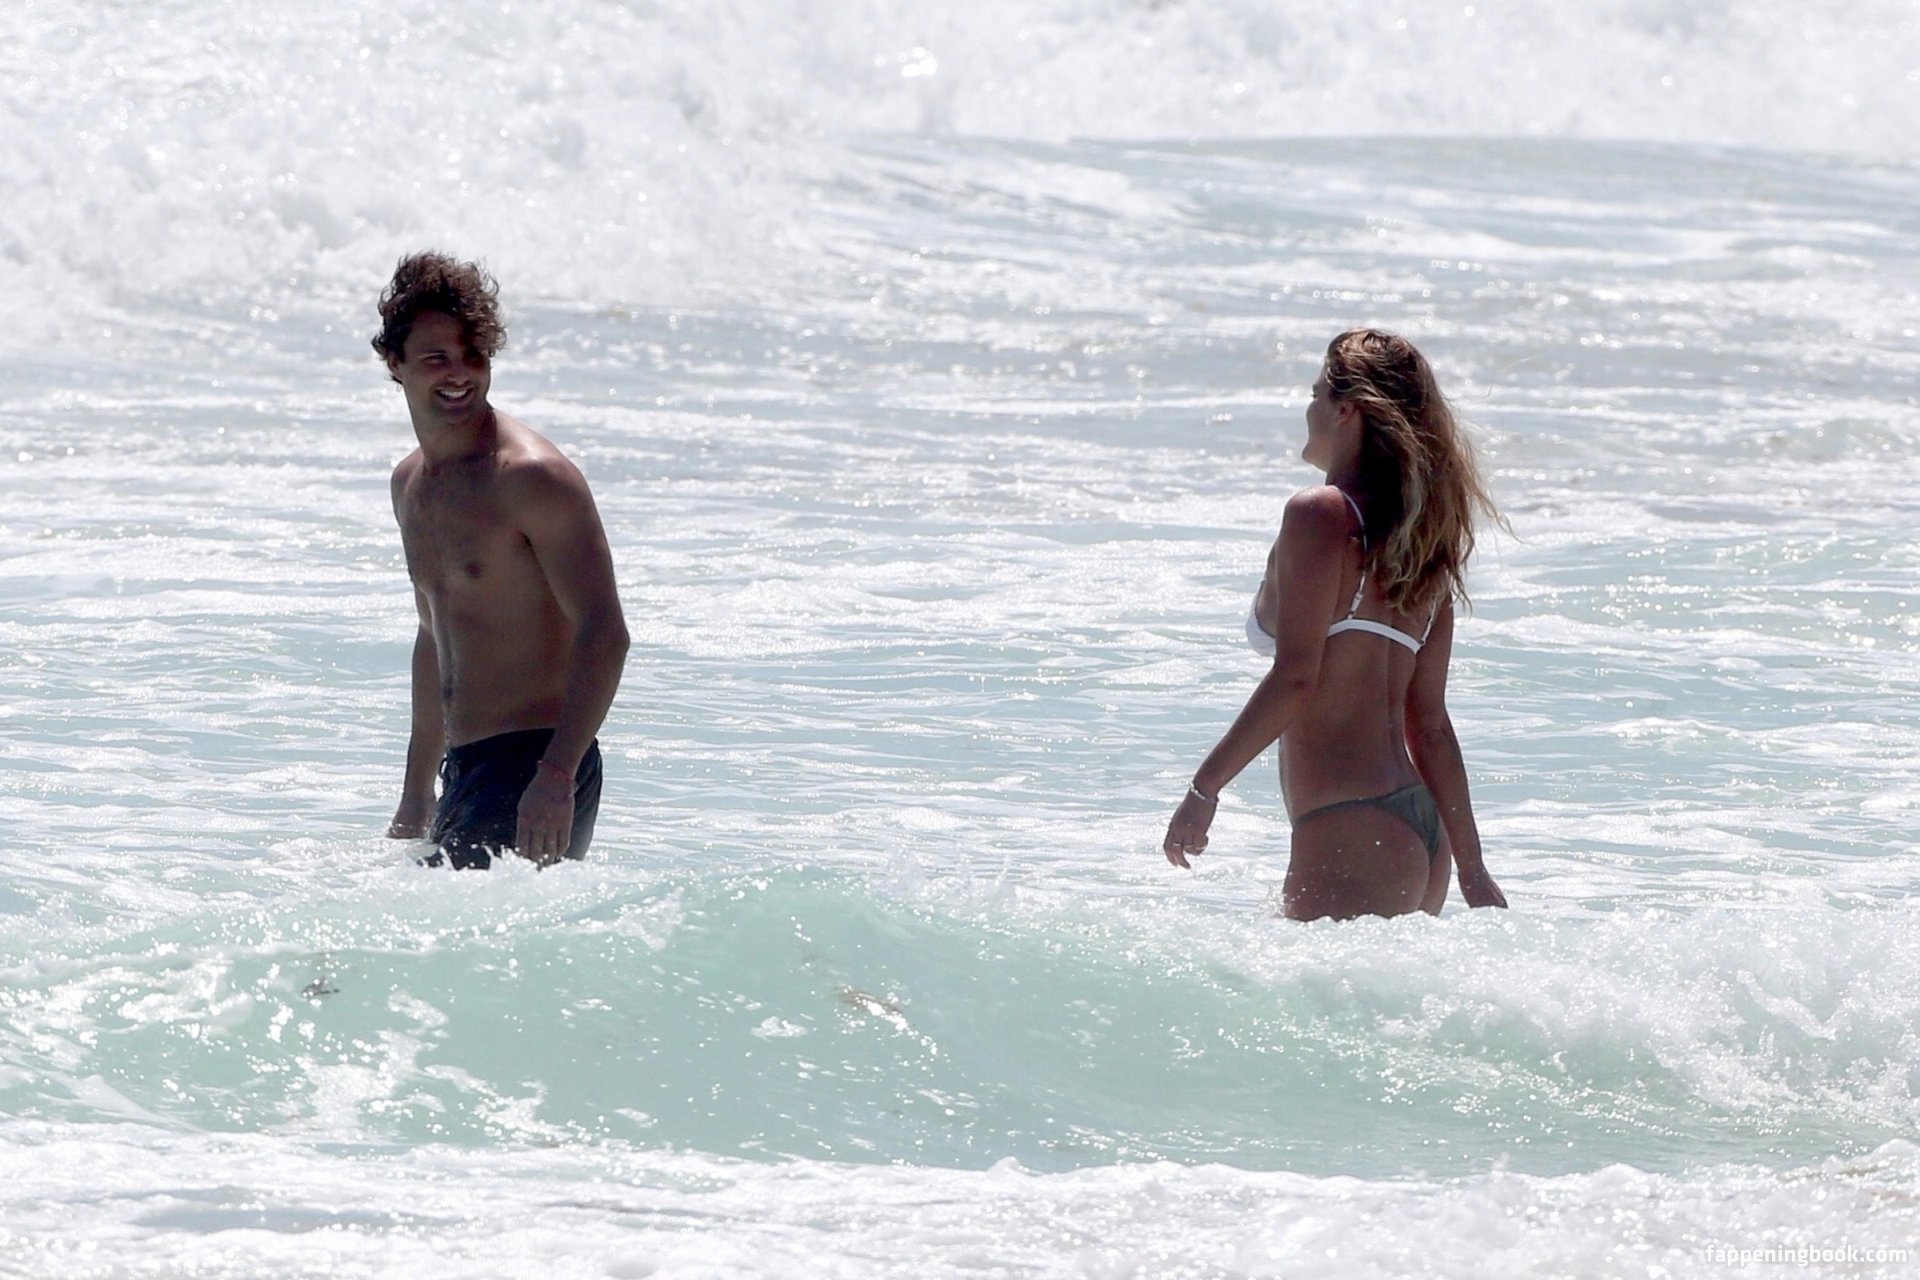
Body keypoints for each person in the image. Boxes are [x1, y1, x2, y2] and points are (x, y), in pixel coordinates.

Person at [1161, 328, 1506, 920]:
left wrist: (1204, 790)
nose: (1309, 408)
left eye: (1316, 394)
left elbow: (1297, 677)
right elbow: (1430, 727)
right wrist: (1471, 868)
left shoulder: (1319, 515)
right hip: (1421, 833)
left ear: (1347, 409)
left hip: (1351, 823)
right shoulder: (1421, 551)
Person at [375, 252, 630, 868]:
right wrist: (416, 793)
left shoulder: (532, 477)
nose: (459, 374)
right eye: (436, 358)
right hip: (464, 769)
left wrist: (557, 775)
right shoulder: (410, 484)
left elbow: (605, 631)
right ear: (395, 363)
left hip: (535, 764)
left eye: (474, 356)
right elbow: (434, 638)